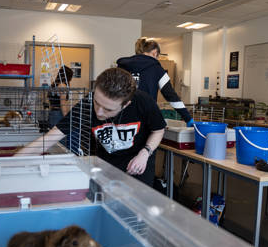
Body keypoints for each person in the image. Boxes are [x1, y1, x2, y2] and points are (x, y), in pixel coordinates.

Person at [17, 68, 166, 187]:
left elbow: (158, 130)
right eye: (97, 102)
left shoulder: (143, 102)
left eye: (108, 109)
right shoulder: (87, 104)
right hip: (107, 163)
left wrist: (145, 153)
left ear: (126, 104)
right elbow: (48, 139)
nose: (99, 112)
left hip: (138, 162)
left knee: (136, 210)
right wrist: (6, 165)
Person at [117, 38, 194, 126]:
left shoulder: (122, 66)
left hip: (122, 116)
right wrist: (188, 118)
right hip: (146, 118)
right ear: (155, 53)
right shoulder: (157, 68)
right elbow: (171, 95)